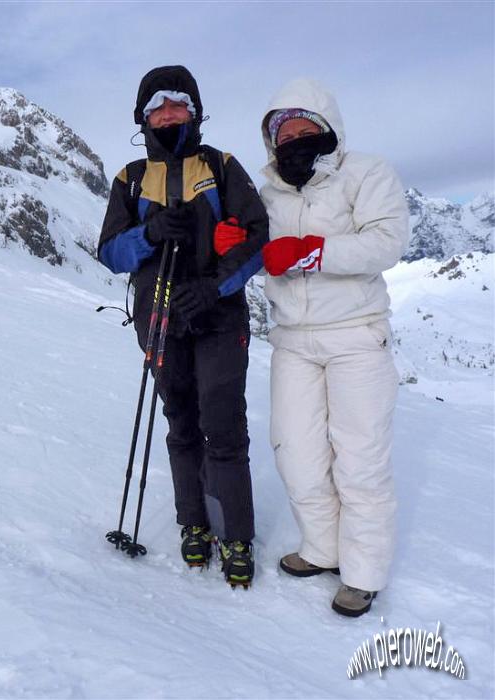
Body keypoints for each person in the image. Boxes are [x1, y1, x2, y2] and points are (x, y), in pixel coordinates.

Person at [97, 65, 269, 587]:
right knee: (181, 422)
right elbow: (110, 252)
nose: (169, 113)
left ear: (194, 112)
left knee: (223, 423)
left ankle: (234, 533)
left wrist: (213, 287)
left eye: (179, 105)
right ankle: (194, 523)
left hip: (218, 318)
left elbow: (257, 237)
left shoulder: (222, 166)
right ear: (144, 116)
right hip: (159, 317)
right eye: (159, 106)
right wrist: (148, 233)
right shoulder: (129, 179)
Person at [258, 78, 409, 616]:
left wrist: (312, 252)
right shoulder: (268, 191)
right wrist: (242, 246)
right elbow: (263, 247)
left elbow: (387, 241)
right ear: (271, 139)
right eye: (282, 128)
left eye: (304, 124)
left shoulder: (366, 172)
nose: (294, 135)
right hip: (294, 340)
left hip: (356, 334)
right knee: (297, 453)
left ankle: (363, 573)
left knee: (360, 459)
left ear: (328, 128)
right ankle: (322, 549)